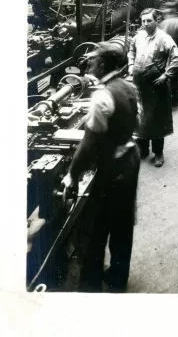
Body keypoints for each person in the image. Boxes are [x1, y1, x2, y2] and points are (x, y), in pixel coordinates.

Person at [65, 42, 140, 291]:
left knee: (95, 228)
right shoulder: (128, 86)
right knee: (122, 225)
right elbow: (135, 120)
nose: (88, 64)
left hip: (112, 169)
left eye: (93, 61)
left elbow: (88, 144)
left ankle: (91, 285)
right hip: (130, 159)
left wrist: (71, 176)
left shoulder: (102, 96)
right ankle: (118, 277)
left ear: (104, 64)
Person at [128, 8, 178, 167]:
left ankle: (158, 153)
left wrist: (166, 75)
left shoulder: (164, 38)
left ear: (156, 21)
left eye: (149, 21)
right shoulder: (138, 37)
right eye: (143, 21)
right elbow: (131, 51)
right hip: (139, 84)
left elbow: (177, 57)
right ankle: (143, 149)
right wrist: (131, 65)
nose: (146, 24)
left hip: (156, 85)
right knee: (141, 117)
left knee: (157, 119)